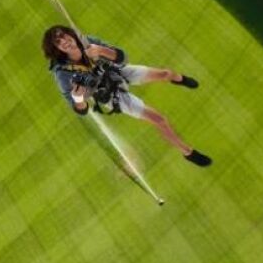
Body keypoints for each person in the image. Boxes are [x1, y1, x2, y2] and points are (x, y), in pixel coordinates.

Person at [42, 25, 212, 167]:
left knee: (165, 73)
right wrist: (79, 98)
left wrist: (102, 51)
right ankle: (187, 152)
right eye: (58, 42)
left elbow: (122, 57)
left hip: (115, 72)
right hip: (108, 93)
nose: (64, 41)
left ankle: (179, 79)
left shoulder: (88, 42)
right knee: (159, 120)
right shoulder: (63, 74)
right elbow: (80, 109)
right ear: (56, 49)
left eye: (64, 36)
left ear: (71, 34)